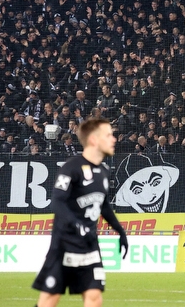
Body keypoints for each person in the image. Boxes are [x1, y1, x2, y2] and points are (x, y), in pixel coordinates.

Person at [32, 118, 129, 307]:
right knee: (49, 300)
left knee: (94, 298)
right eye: (108, 135)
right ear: (93, 139)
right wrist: (77, 225)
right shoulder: (71, 167)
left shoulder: (103, 171)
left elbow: (103, 205)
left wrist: (120, 231)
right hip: (64, 245)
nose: (114, 139)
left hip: (89, 245)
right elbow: (57, 202)